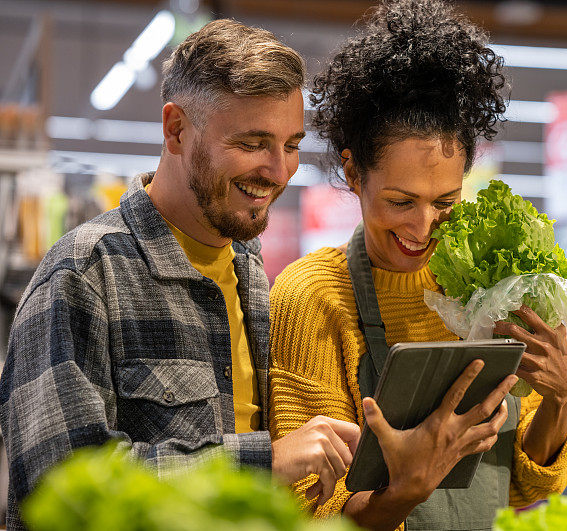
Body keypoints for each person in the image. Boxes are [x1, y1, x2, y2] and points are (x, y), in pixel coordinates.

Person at [0, 19, 361, 530]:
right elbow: (59, 490)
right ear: (175, 129)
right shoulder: (82, 275)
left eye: (291, 144)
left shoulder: (248, 267)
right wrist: (264, 463)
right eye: (254, 143)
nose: (280, 172)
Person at [268, 1, 567, 530]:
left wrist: (559, 400)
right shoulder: (315, 296)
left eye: (445, 202)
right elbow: (308, 514)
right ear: (352, 170)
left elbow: (518, 485)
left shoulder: (487, 284)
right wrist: (406, 489)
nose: (423, 227)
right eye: (400, 201)